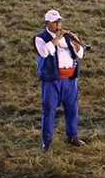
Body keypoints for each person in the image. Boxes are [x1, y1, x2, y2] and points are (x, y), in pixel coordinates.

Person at [34, 9, 87, 152]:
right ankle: (47, 142)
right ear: (47, 23)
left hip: (69, 80)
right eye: (54, 22)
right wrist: (57, 39)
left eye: (59, 21)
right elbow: (44, 52)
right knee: (49, 109)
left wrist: (76, 42)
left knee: (72, 109)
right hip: (52, 80)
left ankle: (72, 136)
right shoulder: (40, 38)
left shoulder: (67, 37)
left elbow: (80, 54)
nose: (58, 24)